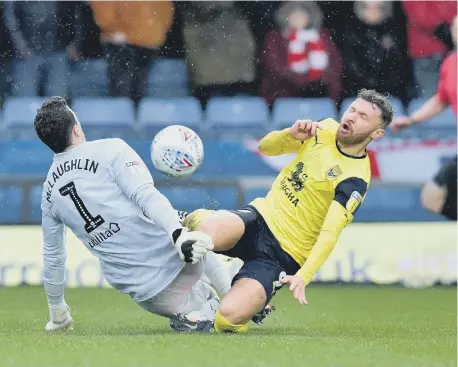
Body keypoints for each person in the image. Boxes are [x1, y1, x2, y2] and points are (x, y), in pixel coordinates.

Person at [174, 89, 394, 333]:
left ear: (377, 133)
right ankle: (191, 218)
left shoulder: (355, 180)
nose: (352, 117)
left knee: (228, 319)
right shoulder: (324, 128)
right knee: (205, 234)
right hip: (260, 218)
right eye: (352, 109)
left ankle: (246, 302)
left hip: (284, 254)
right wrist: (290, 134)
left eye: (363, 116)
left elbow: (331, 231)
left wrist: (305, 275)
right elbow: (266, 147)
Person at [34, 97, 233, 332]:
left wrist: (57, 312)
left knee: (205, 299)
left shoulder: (48, 193)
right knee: (195, 223)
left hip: (147, 295)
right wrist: (178, 233)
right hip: (178, 266)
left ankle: (194, 313)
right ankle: (228, 297)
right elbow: (145, 195)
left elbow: (53, 256)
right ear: (76, 128)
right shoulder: (111, 150)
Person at [391, 16, 457, 221]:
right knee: (432, 198)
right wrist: (411, 120)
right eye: (456, 28)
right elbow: (441, 99)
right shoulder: (451, 63)